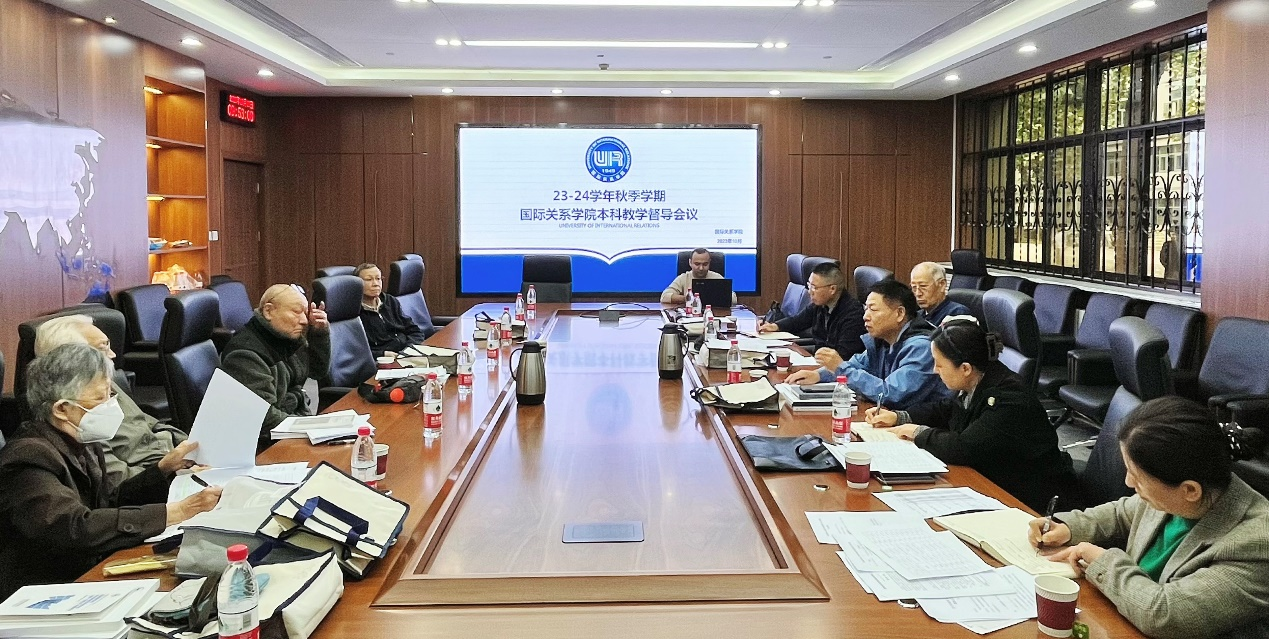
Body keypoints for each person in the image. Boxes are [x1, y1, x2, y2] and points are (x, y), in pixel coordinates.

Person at [1028, 396, 1269, 639]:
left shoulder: (1256, 545)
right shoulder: (1180, 492)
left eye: (1137, 477)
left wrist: (1103, 562)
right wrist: (1068, 527)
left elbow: (1165, 616)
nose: (1128, 482)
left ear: (1190, 490)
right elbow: (1121, 512)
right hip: (1122, 620)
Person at [0, 344, 221, 599]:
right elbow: (75, 527)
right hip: (46, 591)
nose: (110, 404)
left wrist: (162, 470)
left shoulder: (83, 441)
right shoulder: (27, 458)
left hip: (93, 570)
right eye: (99, 398)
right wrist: (177, 511)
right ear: (61, 409)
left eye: (110, 394)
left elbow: (109, 502)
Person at [864, 319, 1078, 512]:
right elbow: (946, 409)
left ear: (965, 368)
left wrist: (919, 433)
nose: (935, 370)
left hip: (1034, 498)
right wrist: (900, 416)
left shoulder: (1008, 397)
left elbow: (964, 448)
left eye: (939, 364)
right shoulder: (979, 378)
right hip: (996, 479)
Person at [33, 315, 188, 485]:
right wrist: (169, 472)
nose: (113, 354)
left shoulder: (105, 383)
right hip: (153, 480)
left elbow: (149, 423)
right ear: (70, 359)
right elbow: (117, 484)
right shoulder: (80, 422)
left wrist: (190, 445)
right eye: (102, 348)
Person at [786, 279, 950, 409]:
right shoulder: (883, 340)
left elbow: (890, 394)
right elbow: (857, 364)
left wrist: (840, 368)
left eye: (873, 309)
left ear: (900, 313)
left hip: (921, 428)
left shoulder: (922, 347)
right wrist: (819, 375)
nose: (865, 316)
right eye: (866, 309)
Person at [221, 284, 331, 438]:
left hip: (292, 423)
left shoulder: (285, 338)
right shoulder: (244, 355)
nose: (305, 321)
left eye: (305, 313)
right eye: (296, 312)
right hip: (266, 440)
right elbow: (265, 419)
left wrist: (319, 333)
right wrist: (311, 428)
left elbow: (317, 371)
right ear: (268, 311)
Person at [757, 261, 865, 360]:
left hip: (836, 367)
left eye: (814, 287)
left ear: (832, 289)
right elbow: (798, 321)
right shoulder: (820, 305)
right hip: (820, 359)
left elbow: (844, 356)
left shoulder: (852, 314)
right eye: (809, 285)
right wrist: (774, 326)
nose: (809, 292)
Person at [354, 262, 427, 357]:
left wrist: (409, 349)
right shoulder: (354, 311)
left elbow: (414, 331)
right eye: (369, 279)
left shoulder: (390, 301)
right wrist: (382, 354)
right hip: (383, 359)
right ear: (357, 284)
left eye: (378, 278)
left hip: (405, 354)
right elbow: (355, 350)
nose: (376, 284)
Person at [660, 248, 736, 305]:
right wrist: (688, 298)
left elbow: (733, 299)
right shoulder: (683, 278)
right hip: (689, 316)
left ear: (709, 263)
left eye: (705, 264)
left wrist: (712, 298)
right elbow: (664, 297)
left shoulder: (717, 278)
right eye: (697, 264)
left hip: (714, 315)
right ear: (690, 262)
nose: (701, 268)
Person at [910, 262, 969, 327]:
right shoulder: (917, 316)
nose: (918, 293)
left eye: (923, 286)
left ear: (942, 285)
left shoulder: (957, 313)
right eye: (914, 287)